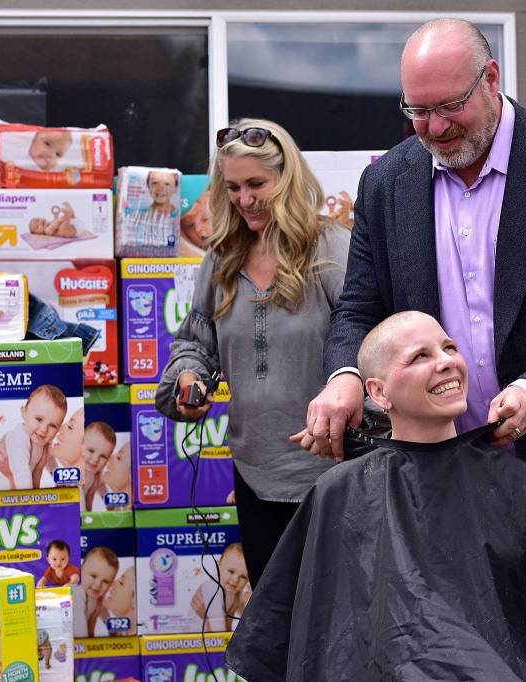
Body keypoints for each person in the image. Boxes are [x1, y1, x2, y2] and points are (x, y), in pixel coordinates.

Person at [300, 19, 526, 679]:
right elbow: (361, 306)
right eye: (417, 111)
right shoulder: (389, 182)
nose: (434, 128)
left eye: (450, 107)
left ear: (492, 78)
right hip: (460, 493)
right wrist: (345, 377)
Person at [228, 311, 526, 681]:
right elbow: (287, 633)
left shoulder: (519, 486)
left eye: (449, 348)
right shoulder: (340, 493)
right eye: (420, 357)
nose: (445, 362)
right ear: (378, 392)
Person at [155, 118, 350, 587]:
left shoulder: (330, 248)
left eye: (257, 184)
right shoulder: (221, 259)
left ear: (288, 178)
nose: (245, 199)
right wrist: (189, 377)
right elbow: (195, 343)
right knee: (275, 630)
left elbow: (368, 341)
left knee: (333, 623)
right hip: (255, 472)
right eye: (234, 187)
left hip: (332, 474)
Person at [0, 384, 68, 490]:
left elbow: (49, 460)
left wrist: (58, 480)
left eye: (53, 426)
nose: (44, 429)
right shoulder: (18, 437)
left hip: (16, 487)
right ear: (24, 412)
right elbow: (22, 473)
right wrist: (29, 497)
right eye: (39, 419)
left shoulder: (44, 441)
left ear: (58, 429)